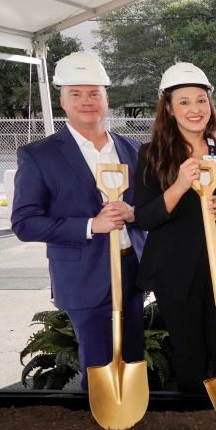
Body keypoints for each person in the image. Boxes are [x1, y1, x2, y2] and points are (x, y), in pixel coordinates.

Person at [11, 51, 145, 390]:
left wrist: (135, 213)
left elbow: (149, 205)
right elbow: (25, 222)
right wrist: (90, 225)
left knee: (133, 354)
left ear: (106, 97)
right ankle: (100, 429)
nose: (87, 101)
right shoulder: (40, 155)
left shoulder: (133, 149)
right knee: (98, 364)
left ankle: (136, 423)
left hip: (131, 268)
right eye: (76, 94)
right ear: (62, 100)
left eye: (94, 93)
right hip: (84, 273)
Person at [132, 63, 216, 393]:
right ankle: (193, 420)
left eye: (201, 100)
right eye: (183, 102)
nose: (194, 109)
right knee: (188, 350)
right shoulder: (151, 154)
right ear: (169, 109)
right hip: (175, 270)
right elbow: (144, 217)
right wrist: (179, 184)